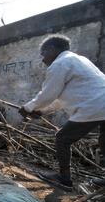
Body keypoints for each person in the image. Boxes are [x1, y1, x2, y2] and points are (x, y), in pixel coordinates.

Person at [19, 34, 105, 191]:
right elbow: (59, 98)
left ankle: (64, 178)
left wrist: (28, 108)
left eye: (43, 53)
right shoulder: (79, 60)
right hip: (101, 104)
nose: (43, 59)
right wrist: (42, 110)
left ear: (52, 49)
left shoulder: (60, 64)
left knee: (62, 138)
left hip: (94, 106)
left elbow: (48, 94)